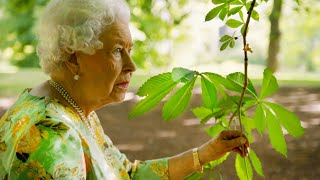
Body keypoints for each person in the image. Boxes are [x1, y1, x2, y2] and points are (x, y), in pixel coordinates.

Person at [0, 0, 250, 179]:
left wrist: (206, 153)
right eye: (117, 51)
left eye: (128, 51)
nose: (132, 66)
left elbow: (126, 174)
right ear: (74, 58)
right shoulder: (51, 136)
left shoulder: (72, 110)